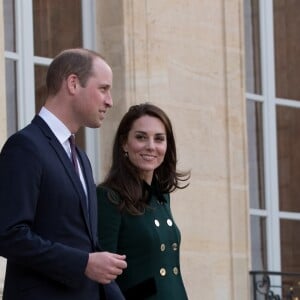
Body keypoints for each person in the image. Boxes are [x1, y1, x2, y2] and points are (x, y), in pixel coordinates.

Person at [0, 48, 127, 300]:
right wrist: (82, 263)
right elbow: (8, 234)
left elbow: (87, 246)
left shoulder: (81, 157)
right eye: (103, 89)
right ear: (73, 83)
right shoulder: (25, 146)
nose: (110, 100)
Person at [97, 103, 191, 299]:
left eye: (159, 139)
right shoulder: (108, 197)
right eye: (141, 137)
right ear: (124, 143)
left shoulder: (162, 197)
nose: (151, 146)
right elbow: (104, 279)